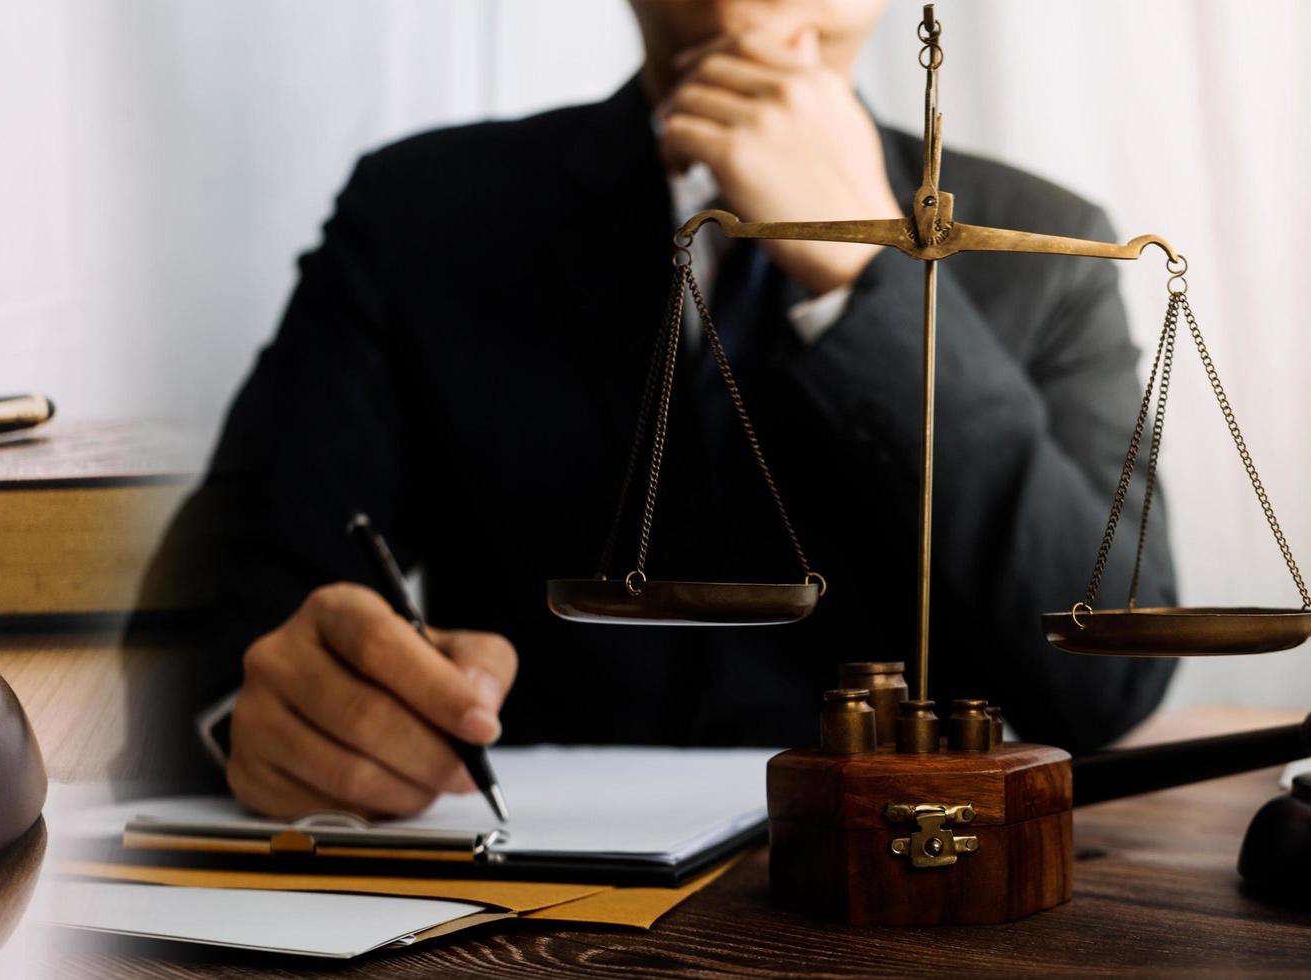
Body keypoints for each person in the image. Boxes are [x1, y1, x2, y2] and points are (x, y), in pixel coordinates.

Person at [125, 0, 1179, 819]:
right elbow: (219, 613)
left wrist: (864, 274)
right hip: (527, 900)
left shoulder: (1048, 246)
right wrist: (267, 712)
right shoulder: (421, 216)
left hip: (919, 890)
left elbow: (1108, 680)